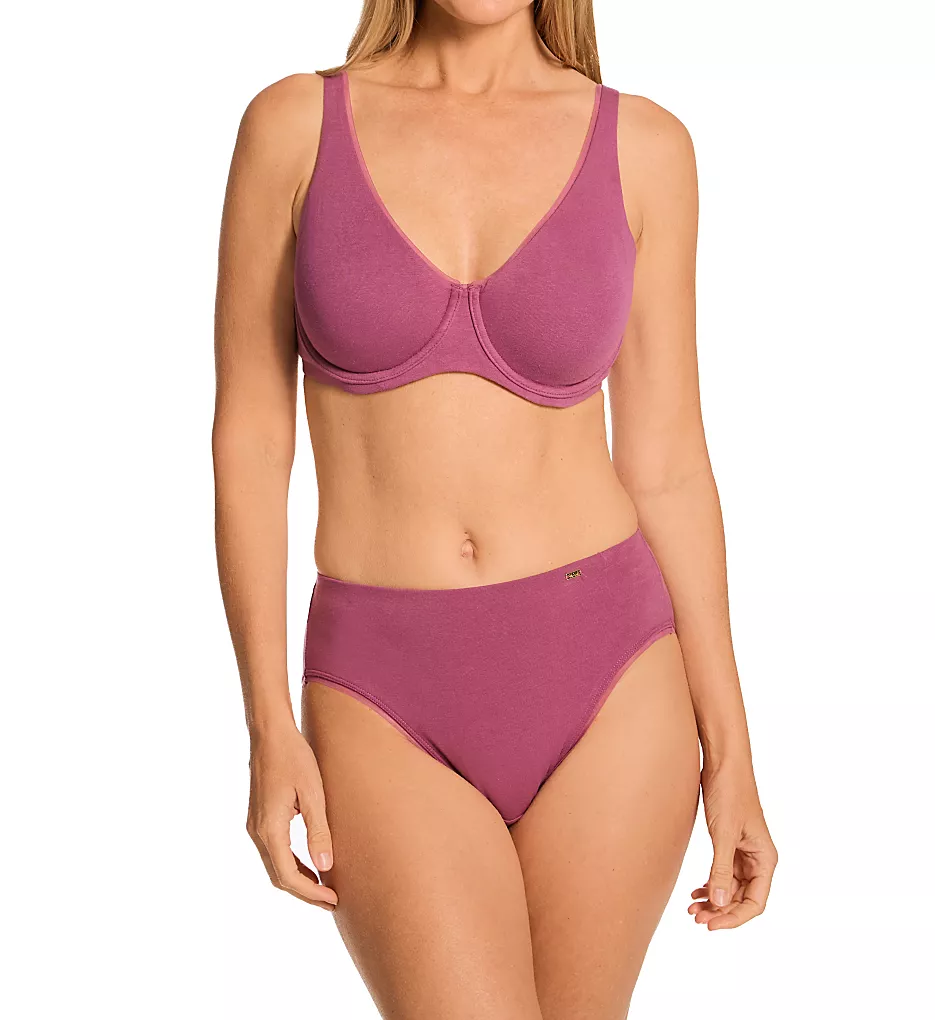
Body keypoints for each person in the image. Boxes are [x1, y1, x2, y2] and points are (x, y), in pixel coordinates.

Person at [213, 1, 778, 1015]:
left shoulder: (645, 147)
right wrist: (266, 723)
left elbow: (667, 466)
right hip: (381, 692)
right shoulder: (292, 128)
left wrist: (732, 754)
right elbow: (251, 442)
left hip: (610, 678)